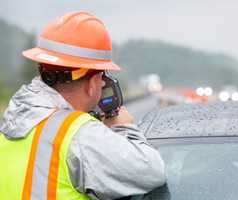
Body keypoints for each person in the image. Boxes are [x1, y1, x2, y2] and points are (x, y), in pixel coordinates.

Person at [0, 11, 166, 200]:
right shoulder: (79, 135)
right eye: (102, 76)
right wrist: (125, 129)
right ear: (93, 83)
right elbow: (152, 171)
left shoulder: (12, 120)